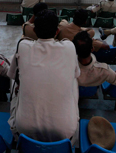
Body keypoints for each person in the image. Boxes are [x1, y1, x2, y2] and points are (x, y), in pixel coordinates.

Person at [8, 10, 81, 142]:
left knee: (14, 79)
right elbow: (76, 74)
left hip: (24, 130)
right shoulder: (69, 47)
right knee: (74, 79)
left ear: (35, 31)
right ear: (57, 31)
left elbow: (12, 75)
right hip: (66, 131)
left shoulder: (23, 46)